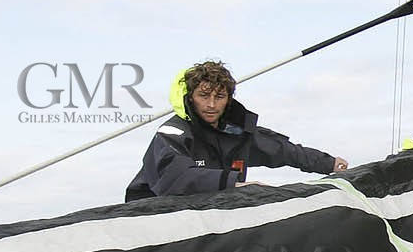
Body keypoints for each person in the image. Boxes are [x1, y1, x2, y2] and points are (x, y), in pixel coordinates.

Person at [125, 61, 347, 201]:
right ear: (190, 98)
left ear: (228, 99)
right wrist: (235, 184)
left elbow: (282, 150)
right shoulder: (172, 132)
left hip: (206, 214)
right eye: (204, 96)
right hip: (149, 213)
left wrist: (328, 163)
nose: (211, 105)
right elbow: (175, 179)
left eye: (220, 97)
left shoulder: (238, 134)